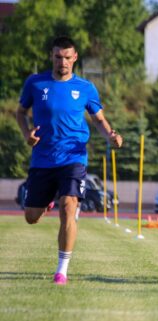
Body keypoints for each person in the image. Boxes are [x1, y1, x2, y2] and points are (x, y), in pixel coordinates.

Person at [15, 36, 123, 285]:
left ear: (75, 58)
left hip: (73, 157)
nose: (62, 61)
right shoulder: (35, 83)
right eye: (57, 57)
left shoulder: (86, 88)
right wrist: (26, 135)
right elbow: (20, 112)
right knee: (31, 216)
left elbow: (98, 119)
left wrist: (111, 136)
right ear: (51, 57)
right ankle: (45, 204)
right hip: (42, 159)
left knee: (69, 207)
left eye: (67, 57)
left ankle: (61, 271)